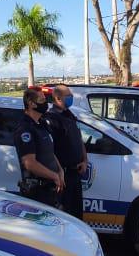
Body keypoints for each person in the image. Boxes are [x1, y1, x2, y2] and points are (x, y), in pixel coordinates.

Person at [15, 87, 64, 207]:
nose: (45, 103)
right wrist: (54, 176)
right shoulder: (25, 129)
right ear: (31, 104)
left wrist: (60, 170)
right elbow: (29, 163)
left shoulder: (41, 124)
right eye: (42, 100)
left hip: (50, 188)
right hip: (37, 191)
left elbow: (49, 151)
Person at [45, 84, 87, 219]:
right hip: (63, 176)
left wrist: (84, 160)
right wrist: (59, 171)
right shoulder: (51, 119)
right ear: (58, 98)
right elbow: (49, 149)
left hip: (75, 173)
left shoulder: (69, 115)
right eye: (68, 96)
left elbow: (79, 139)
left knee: (77, 215)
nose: (71, 98)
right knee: (65, 216)